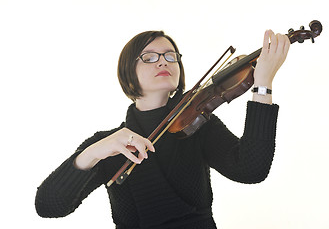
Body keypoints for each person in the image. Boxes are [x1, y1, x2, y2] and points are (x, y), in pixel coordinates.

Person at [35, 29, 290, 228]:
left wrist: (263, 85)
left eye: (171, 56)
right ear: (128, 72)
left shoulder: (198, 125)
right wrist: (92, 153)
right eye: (149, 57)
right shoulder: (109, 145)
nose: (163, 62)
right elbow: (48, 205)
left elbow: (252, 169)